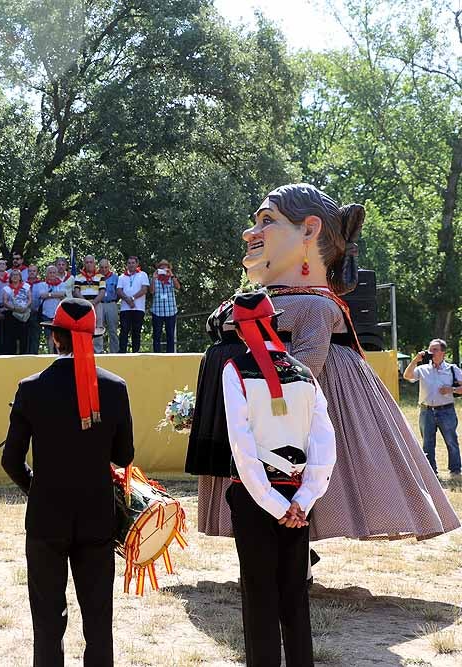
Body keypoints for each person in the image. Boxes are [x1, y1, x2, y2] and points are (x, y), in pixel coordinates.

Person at [193, 182, 459, 541]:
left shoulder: (316, 306)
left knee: (296, 481)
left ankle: (295, 551)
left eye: (266, 220)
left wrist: (261, 410)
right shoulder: (267, 303)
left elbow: (303, 374)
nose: (249, 233)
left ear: (310, 229)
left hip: (286, 426)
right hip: (257, 418)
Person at [1, 297, 133, 667]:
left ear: (55, 338)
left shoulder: (31, 388)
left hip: (46, 516)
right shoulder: (115, 387)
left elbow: (11, 461)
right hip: (96, 516)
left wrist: (37, 488)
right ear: (90, 338)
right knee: (98, 620)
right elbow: (124, 456)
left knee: (47, 621)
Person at [222, 291, 336, 667]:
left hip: (257, 496)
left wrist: (273, 503)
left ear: (240, 332)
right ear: (274, 324)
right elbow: (324, 441)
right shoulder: (304, 373)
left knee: (259, 594)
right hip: (298, 498)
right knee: (294, 594)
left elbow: (242, 445)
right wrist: (302, 501)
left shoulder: (234, 370)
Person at [404, 339, 462, 475]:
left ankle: (455, 470)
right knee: (427, 444)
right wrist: (415, 360)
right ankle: (431, 473)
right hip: (426, 411)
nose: (431, 352)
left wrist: (451, 389)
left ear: (443, 352)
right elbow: (407, 376)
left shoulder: (452, 369)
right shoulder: (422, 369)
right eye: (430, 349)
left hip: (446, 410)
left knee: (451, 441)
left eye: (435, 349)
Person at [116, 256, 148, 353]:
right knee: (124, 330)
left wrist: (133, 298)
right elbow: (119, 290)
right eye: (129, 263)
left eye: (133, 263)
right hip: (125, 309)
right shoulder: (122, 277)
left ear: (137, 264)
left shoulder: (143, 275)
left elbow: (144, 289)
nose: (131, 265)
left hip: (138, 308)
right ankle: (122, 352)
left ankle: (135, 352)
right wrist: (127, 299)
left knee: (136, 331)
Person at [73, 255, 105, 353]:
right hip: (83, 305)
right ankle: (84, 350)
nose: (89, 264)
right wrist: (86, 303)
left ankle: (98, 350)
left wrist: (94, 302)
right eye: (87, 262)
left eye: (91, 262)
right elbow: (76, 291)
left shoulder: (100, 277)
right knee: (83, 327)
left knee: (98, 326)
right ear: (84, 264)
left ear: (94, 264)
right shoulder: (78, 277)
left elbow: (102, 292)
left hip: (97, 304)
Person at [149, 259, 181, 353]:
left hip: (170, 310)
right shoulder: (155, 278)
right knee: (156, 335)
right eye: (161, 267)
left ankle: (170, 354)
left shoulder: (171, 278)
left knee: (170, 335)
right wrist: (154, 278)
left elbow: (178, 287)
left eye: (165, 267)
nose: (163, 268)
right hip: (157, 311)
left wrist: (172, 275)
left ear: (168, 268)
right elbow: (151, 291)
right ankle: (157, 354)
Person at [0, 270, 32, 354]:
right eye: (13, 275)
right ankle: (12, 355)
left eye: (17, 275)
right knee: (11, 337)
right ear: (10, 277)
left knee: (24, 337)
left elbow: (30, 298)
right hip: (11, 314)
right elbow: (5, 301)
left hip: (24, 314)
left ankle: (24, 355)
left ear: (20, 277)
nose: (15, 276)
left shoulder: (26, 286)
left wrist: (25, 307)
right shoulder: (6, 289)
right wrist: (14, 308)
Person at [39, 265, 68, 353]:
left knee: (59, 336)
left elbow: (62, 294)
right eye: (50, 273)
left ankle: (60, 354)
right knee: (49, 336)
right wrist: (55, 294)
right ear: (47, 274)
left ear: (57, 274)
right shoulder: (42, 284)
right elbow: (41, 295)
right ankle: (51, 354)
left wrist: (49, 295)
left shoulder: (62, 284)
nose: (52, 274)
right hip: (46, 314)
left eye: (54, 272)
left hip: (58, 314)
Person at [97, 259, 120, 353]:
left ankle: (114, 352)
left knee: (113, 330)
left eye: (106, 267)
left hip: (111, 304)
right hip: (99, 304)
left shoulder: (115, 277)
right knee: (98, 329)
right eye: (101, 267)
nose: (104, 269)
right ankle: (99, 351)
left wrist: (114, 301)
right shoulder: (96, 276)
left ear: (109, 267)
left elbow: (118, 292)